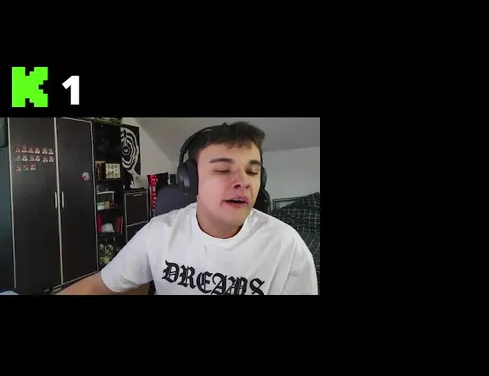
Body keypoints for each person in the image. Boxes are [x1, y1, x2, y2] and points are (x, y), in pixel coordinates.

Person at [59, 121, 318, 295]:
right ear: (190, 180)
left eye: (253, 171)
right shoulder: (159, 233)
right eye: (222, 170)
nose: (244, 182)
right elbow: (96, 286)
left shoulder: (286, 246)